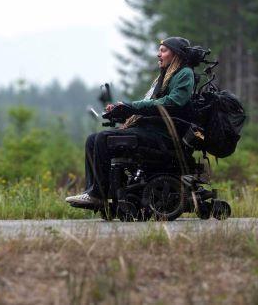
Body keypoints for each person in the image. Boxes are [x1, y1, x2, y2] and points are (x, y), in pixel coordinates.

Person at [65, 36, 195, 207]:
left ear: (176, 54)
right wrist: (122, 111)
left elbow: (172, 103)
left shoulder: (185, 73)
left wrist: (131, 106)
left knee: (103, 138)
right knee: (92, 139)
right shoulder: (163, 77)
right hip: (151, 130)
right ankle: (94, 192)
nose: (158, 54)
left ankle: (99, 194)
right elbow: (148, 107)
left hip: (165, 136)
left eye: (163, 50)